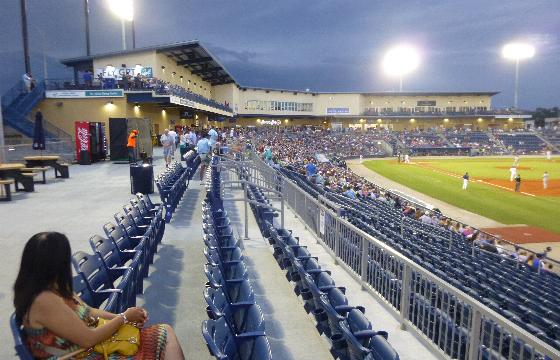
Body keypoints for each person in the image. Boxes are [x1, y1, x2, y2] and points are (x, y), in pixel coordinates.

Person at [13, 232, 185, 359]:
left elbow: (89, 311)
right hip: (82, 354)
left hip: (88, 347)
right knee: (165, 336)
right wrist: (124, 318)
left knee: (165, 332)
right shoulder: (44, 300)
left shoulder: (55, 286)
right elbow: (89, 339)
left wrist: (122, 317)